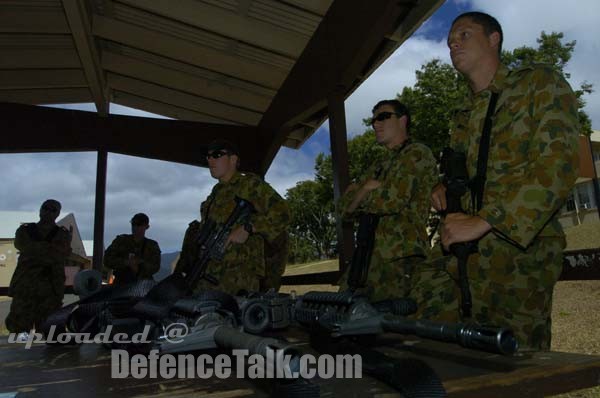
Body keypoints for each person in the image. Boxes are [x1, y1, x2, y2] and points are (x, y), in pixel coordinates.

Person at [423, 11, 580, 351]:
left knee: (516, 371)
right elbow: (466, 177)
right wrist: (443, 187)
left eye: (463, 34)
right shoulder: (463, 115)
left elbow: (560, 164)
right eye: (450, 40)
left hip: (517, 261)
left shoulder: (537, 82)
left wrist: (486, 220)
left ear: (494, 39)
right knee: (445, 359)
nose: (452, 43)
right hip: (461, 259)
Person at [337, 100, 437, 302]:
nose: (375, 124)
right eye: (373, 120)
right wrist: (366, 188)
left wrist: (360, 192)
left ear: (403, 120)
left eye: (383, 117)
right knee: (342, 313)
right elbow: (343, 210)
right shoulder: (378, 165)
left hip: (400, 260)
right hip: (365, 256)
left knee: (393, 326)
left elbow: (392, 199)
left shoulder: (417, 152)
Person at [176, 140, 290, 295]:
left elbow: (283, 213)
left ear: (233, 159)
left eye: (217, 155)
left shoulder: (249, 184)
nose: (210, 160)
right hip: (208, 272)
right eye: (207, 156)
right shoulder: (215, 194)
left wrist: (248, 228)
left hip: (238, 277)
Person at [5, 199, 72, 337]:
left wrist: (36, 253)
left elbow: (62, 253)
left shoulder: (62, 234)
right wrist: (49, 251)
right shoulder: (25, 231)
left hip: (51, 287)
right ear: (40, 210)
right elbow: (22, 246)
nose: (48, 212)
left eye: (53, 210)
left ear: (58, 214)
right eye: (45, 208)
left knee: (50, 329)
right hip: (26, 285)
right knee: (18, 329)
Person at [104, 213, 161, 285]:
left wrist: (138, 267)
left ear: (147, 227)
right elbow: (107, 260)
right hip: (121, 283)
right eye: (133, 224)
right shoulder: (121, 241)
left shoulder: (152, 245)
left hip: (142, 284)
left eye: (139, 224)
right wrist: (126, 262)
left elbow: (155, 266)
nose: (135, 227)